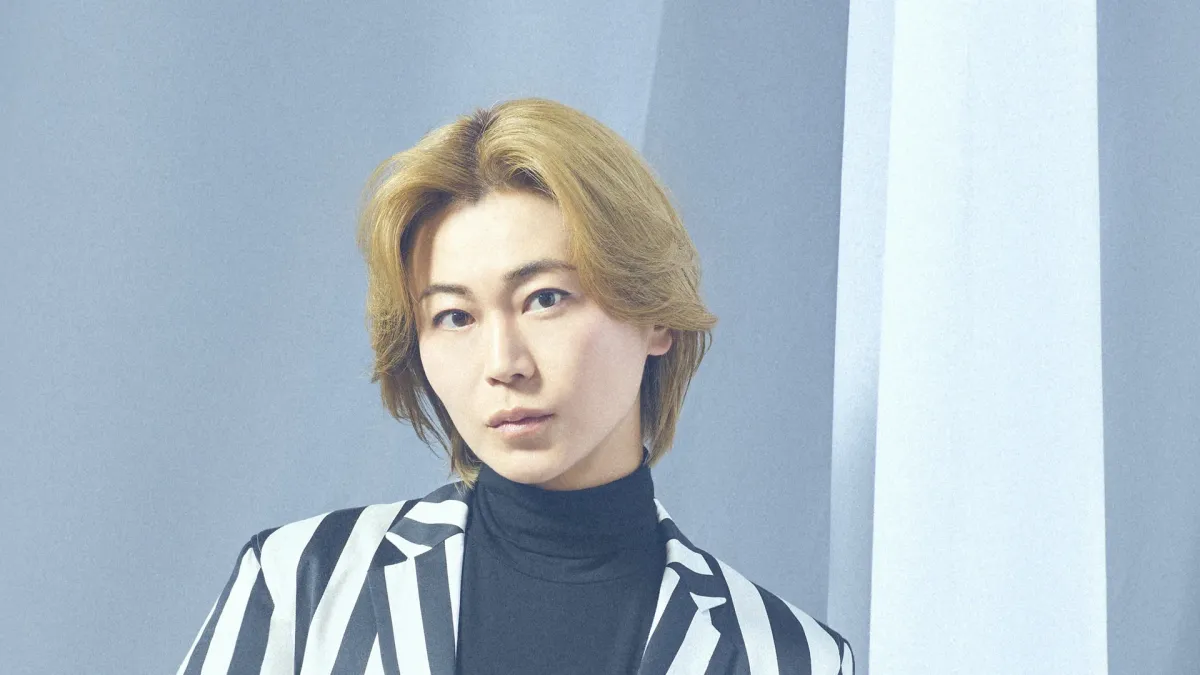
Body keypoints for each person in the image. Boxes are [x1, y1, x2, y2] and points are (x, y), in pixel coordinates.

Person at [175, 97, 854, 674]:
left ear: (654, 314)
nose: (504, 362)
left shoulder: (792, 659)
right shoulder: (301, 583)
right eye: (454, 316)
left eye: (545, 298)